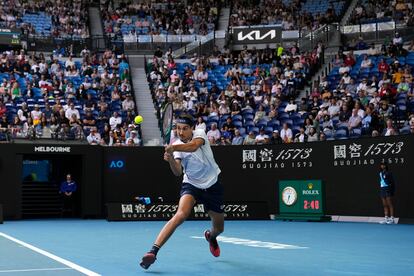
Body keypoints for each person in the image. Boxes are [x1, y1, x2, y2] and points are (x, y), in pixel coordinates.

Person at [140, 113, 223, 270]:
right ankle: (153, 251)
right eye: (178, 129)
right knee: (180, 215)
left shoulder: (199, 134)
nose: (181, 132)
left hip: (212, 185)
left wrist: (173, 147)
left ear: (192, 128)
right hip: (191, 184)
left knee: (219, 228)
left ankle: (211, 237)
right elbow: (178, 172)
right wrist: (171, 158)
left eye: (185, 128)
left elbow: (192, 146)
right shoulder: (176, 146)